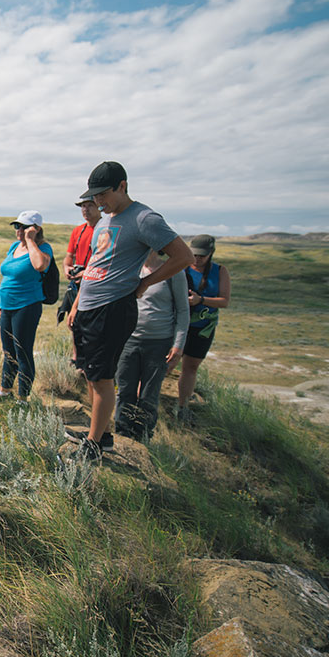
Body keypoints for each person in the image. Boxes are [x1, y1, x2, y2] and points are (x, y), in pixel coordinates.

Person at [65, 161, 192, 460]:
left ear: (122, 186)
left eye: (103, 194)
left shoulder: (145, 218)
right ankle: (101, 433)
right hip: (89, 307)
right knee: (91, 374)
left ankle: (94, 447)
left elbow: (183, 256)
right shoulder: (105, 221)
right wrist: (77, 303)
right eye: (93, 195)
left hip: (113, 309)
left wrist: (145, 283)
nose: (97, 201)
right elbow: (95, 264)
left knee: (104, 377)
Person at [113, 249, 188, 440]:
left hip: (159, 342)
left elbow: (182, 310)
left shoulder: (173, 272)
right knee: (125, 389)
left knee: (149, 394)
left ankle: (142, 436)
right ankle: (122, 433)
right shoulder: (129, 268)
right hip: (128, 340)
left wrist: (178, 346)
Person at [0, 211, 53, 404]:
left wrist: (31, 241)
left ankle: (23, 398)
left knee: (22, 351)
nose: (19, 230)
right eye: (17, 226)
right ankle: (5, 391)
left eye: (24, 227)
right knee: (8, 350)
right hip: (7, 307)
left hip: (27, 306)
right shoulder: (13, 247)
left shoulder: (43, 248)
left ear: (36, 229)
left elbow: (40, 266)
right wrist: (0, 308)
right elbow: (7, 277)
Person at [176, 234, 232, 420]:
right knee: (166, 363)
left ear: (211, 253)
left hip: (203, 328)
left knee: (190, 367)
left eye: (202, 255)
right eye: (195, 254)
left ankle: (182, 407)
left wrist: (201, 300)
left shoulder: (220, 271)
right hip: (177, 325)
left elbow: (224, 301)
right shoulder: (180, 267)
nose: (197, 259)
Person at [61, 197, 101, 367]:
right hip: (77, 282)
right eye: (83, 206)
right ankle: (77, 358)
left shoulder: (105, 230)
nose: (86, 210)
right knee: (73, 322)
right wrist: (67, 268)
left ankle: (89, 361)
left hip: (95, 283)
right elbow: (69, 256)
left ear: (99, 207)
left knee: (90, 324)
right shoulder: (78, 231)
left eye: (90, 205)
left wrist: (87, 273)